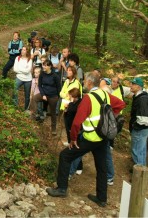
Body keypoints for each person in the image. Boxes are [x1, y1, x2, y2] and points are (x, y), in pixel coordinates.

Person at [47, 71, 125, 208]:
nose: (83, 83)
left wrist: (73, 139)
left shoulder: (88, 99)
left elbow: (77, 122)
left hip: (89, 138)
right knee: (101, 168)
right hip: (102, 138)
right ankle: (102, 198)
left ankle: (61, 188)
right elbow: (120, 104)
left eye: (84, 81)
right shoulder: (105, 94)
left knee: (65, 155)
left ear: (89, 82)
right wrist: (110, 116)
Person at [30, 60, 60, 134]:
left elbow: (59, 87)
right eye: (43, 65)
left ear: (49, 66)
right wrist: (43, 95)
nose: (43, 67)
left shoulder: (55, 76)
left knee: (53, 112)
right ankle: (33, 117)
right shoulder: (42, 74)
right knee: (34, 98)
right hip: (44, 94)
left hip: (53, 96)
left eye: (45, 65)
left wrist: (57, 97)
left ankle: (53, 129)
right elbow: (40, 85)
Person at [129, 77, 148, 166]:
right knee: (141, 150)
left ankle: (138, 172)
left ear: (139, 87)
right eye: (131, 83)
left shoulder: (142, 99)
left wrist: (135, 126)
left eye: (133, 84)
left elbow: (143, 118)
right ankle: (141, 170)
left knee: (137, 150)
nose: (131, 85)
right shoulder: (138, 97)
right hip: (142, 129)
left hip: (140, 129)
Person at [13, 46, 33, 111]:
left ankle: (26, 109)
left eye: (24, 50)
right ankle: (15, 106)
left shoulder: (29, 59)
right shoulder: (17, 58)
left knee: (27, 95)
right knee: (14, 90)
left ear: (27, 51)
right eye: (22, 50)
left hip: (28, 80)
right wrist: (24, 69)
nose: (22, 51)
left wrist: (19, 69)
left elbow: (27, 71)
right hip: (19, 77)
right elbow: (15, 69)